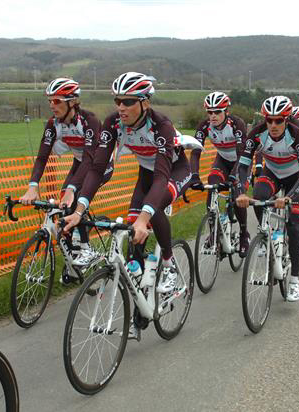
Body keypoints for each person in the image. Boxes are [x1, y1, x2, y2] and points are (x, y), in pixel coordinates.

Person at [63, 72, 192, 304]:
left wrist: (145, 219)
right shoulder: (113, 122)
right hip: (146, 174)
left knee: (154, 208)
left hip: (173, 172)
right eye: (118, 101)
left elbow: (162, 177)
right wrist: (79, 210)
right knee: (133, 230)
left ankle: (169, 263)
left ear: (145, 103)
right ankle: (141, 288)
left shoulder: (162, 126)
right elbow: (96, 167)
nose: (121, 107)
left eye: (129, 101)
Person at [20, 78, 113, 276]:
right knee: (64, 202)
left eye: (57, 101)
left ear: (72, 102)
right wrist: (32, 185)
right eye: (50, 101)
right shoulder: (53, 124)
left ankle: (86, 249)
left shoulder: (90, 121)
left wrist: (73, 189)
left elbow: (90, 160)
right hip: (80, 163)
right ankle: (72, 259)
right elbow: (42, 156)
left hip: (99, 165)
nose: (52, 105)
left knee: (77, 195)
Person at [235, 96, 299, 302]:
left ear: (286, 119)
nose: (273, 125)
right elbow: (243, 165)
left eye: (278, 121)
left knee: (294, 227)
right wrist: (241, 191)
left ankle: (294, 280)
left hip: (296, 178)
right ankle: (265, 235)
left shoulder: (297, 136)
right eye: (269, 120)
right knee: (258, 197)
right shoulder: (257, 133)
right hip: (273, 174)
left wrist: (289, 197)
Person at [189, 91, 250, 257]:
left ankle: (244, 234)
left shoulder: (237, 124)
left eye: (217, 112)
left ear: (226, 112)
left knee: (238, 196)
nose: (213, 116)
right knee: (212, 183)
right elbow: (195, 152)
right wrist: (193, 176)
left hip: (240, 161)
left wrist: (233, 176)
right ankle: (214, 232)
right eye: (210, 112)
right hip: (222, 159)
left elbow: (241, 153)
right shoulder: (204, 125)